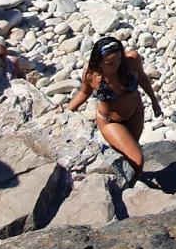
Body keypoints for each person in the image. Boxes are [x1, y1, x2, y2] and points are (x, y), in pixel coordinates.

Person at [63, 37, 162, 181]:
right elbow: (84, 93)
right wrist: (67, 112)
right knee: (137, 159)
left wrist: (154, 101)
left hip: (135, 113)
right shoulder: (92, 75)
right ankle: (130, 188)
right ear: (99, 61)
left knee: (130, 157)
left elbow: (141, 77)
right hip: (111, 121)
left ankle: (135, 183)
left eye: (118, 60)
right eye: (109, 63)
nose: (116, 65)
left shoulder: (132, 60)